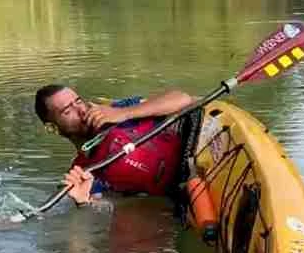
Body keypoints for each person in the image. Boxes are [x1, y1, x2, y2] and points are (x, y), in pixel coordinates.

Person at [33, 83, 196, 207]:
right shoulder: (81, 173)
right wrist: (84, 202)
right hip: (184, 191)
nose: (82, 110)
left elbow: (182, 98)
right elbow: (107, 208)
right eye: (68, 111)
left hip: (196, 151)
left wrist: (123, 113)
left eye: (78, 101)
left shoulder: (118, 109)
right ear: (52, 128)